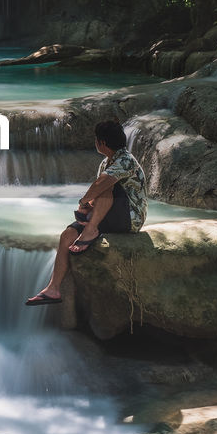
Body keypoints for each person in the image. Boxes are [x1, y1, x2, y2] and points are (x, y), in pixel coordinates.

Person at [25, 119, 147, 305]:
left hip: (130, 218)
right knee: (67, 235)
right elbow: (101, 197)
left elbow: (102, 186)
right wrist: (89, 208)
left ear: (102, 142)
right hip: (110, 215)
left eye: (96, 139)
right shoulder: (106, 163)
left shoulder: (125, 160)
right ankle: (53, 289)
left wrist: (84, 202)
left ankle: (91, 230)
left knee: (106, 185)